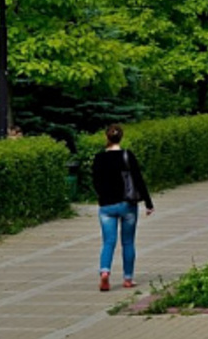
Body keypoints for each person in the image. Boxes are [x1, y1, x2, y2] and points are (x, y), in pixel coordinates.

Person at [92, 124, 154, 292]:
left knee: (108, 242)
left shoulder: (99, 158)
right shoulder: (127, 155)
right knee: (128, 242)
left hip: (106, 206)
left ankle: (105, 272)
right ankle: (128, 279)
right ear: (121, 137)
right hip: (127, 205)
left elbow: (95, 182)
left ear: (107, 138)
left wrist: (102, 196)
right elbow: (138, 180)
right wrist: (148, 203)